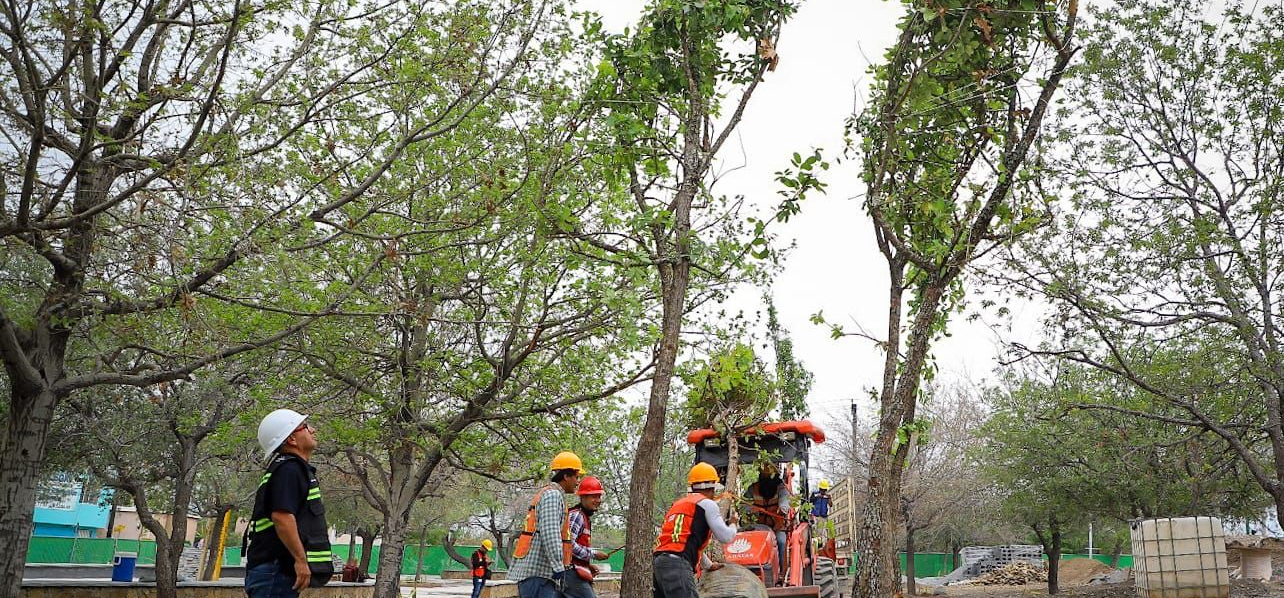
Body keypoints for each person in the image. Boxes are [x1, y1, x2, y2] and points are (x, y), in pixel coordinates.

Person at [244, 408, 333, 598]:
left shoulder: (287, 469)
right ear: (292, 439)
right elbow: (282, 517)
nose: (313, 430)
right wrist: (301, 561)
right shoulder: (289, 470)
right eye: (305, 427)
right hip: (276, 571)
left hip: (274, 571)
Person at [653, 463, 740, 598]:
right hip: (677, 565)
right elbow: (725, 537)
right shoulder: (707, 504)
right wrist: (734, 523)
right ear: (712, 487)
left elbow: (685, 542)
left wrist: (708, 565)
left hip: (659, 564)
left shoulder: (679, 505)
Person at [510, 451, 584, 598]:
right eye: (576, 477)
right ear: (566, 476)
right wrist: (558, 566)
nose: (577, 482)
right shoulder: (552, 496)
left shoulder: (552, 495)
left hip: (540, 575)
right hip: (536, 575)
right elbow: (550, 534)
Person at [565, 476, 610, 598]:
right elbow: (568, 545)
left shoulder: (584, 518)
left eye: (599, 496)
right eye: (594, 496)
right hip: (570, 573)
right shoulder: (577, 516)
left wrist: (587, 565)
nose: (598, 500)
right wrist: (594, 554)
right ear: (583, 497)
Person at [745, 463, 790, 575]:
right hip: (757, 529)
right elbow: (743, 504)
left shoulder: (781, 489)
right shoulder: (753, 488)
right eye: (763, 475)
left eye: (768, 476)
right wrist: (749, 509)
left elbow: (785, 501)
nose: (765, 479)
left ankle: (781, 572)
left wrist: (782, 508)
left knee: (781, 541)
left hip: (776, 528)